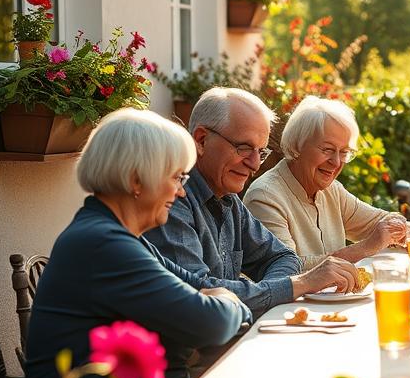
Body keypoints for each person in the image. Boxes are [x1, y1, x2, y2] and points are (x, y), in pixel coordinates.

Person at [17, 109, 250, 378]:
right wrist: (228, 299)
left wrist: (220, 298)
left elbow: (206, 288)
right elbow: (210, 323)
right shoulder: (102, 245)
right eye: (177, 178)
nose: (181, 193)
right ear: (137, 180)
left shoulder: (123, 238)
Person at [147, 88, 359, 320]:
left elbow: (282, 257)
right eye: (244, 148)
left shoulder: (228, 199)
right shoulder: (171, 202)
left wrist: (264, 293)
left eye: (261, 151)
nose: (255, 164)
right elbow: (201, 301)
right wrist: (297, 285)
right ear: (201, 139)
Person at [244, 96, 406, 267]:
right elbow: (286, 270)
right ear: (297, 146)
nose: (336, 162)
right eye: (327, 150)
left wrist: (400, 226)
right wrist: (364, 248)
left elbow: (379, 223)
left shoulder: (332, 191)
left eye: (344, 152)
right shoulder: (264, 198)